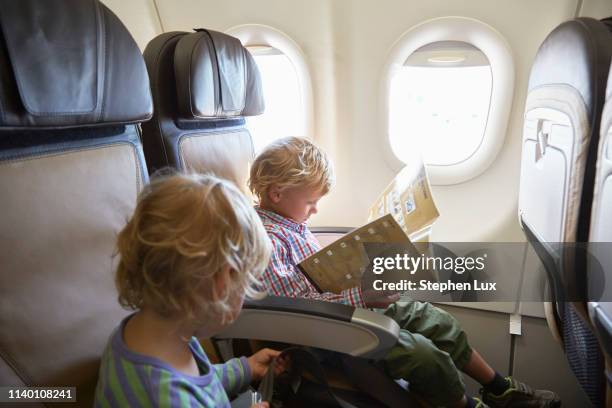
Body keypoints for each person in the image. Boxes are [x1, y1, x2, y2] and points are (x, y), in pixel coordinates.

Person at [248, 136, 561, 408]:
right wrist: (361, 293)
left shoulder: (291, 224)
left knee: (437, 322)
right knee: (425, 356)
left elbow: (314, 277)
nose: (315, 210)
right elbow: (299, 309)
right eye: (312, 202)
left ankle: (499, 389)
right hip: (323, 330)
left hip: (343, 305)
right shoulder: (267, 241)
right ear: (277, 194)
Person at [95, 173, 286, 408]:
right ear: (222, 282)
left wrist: (244, 368)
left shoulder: (162, 332)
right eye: (245, 285)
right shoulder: (164, 397)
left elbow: (198, 383)